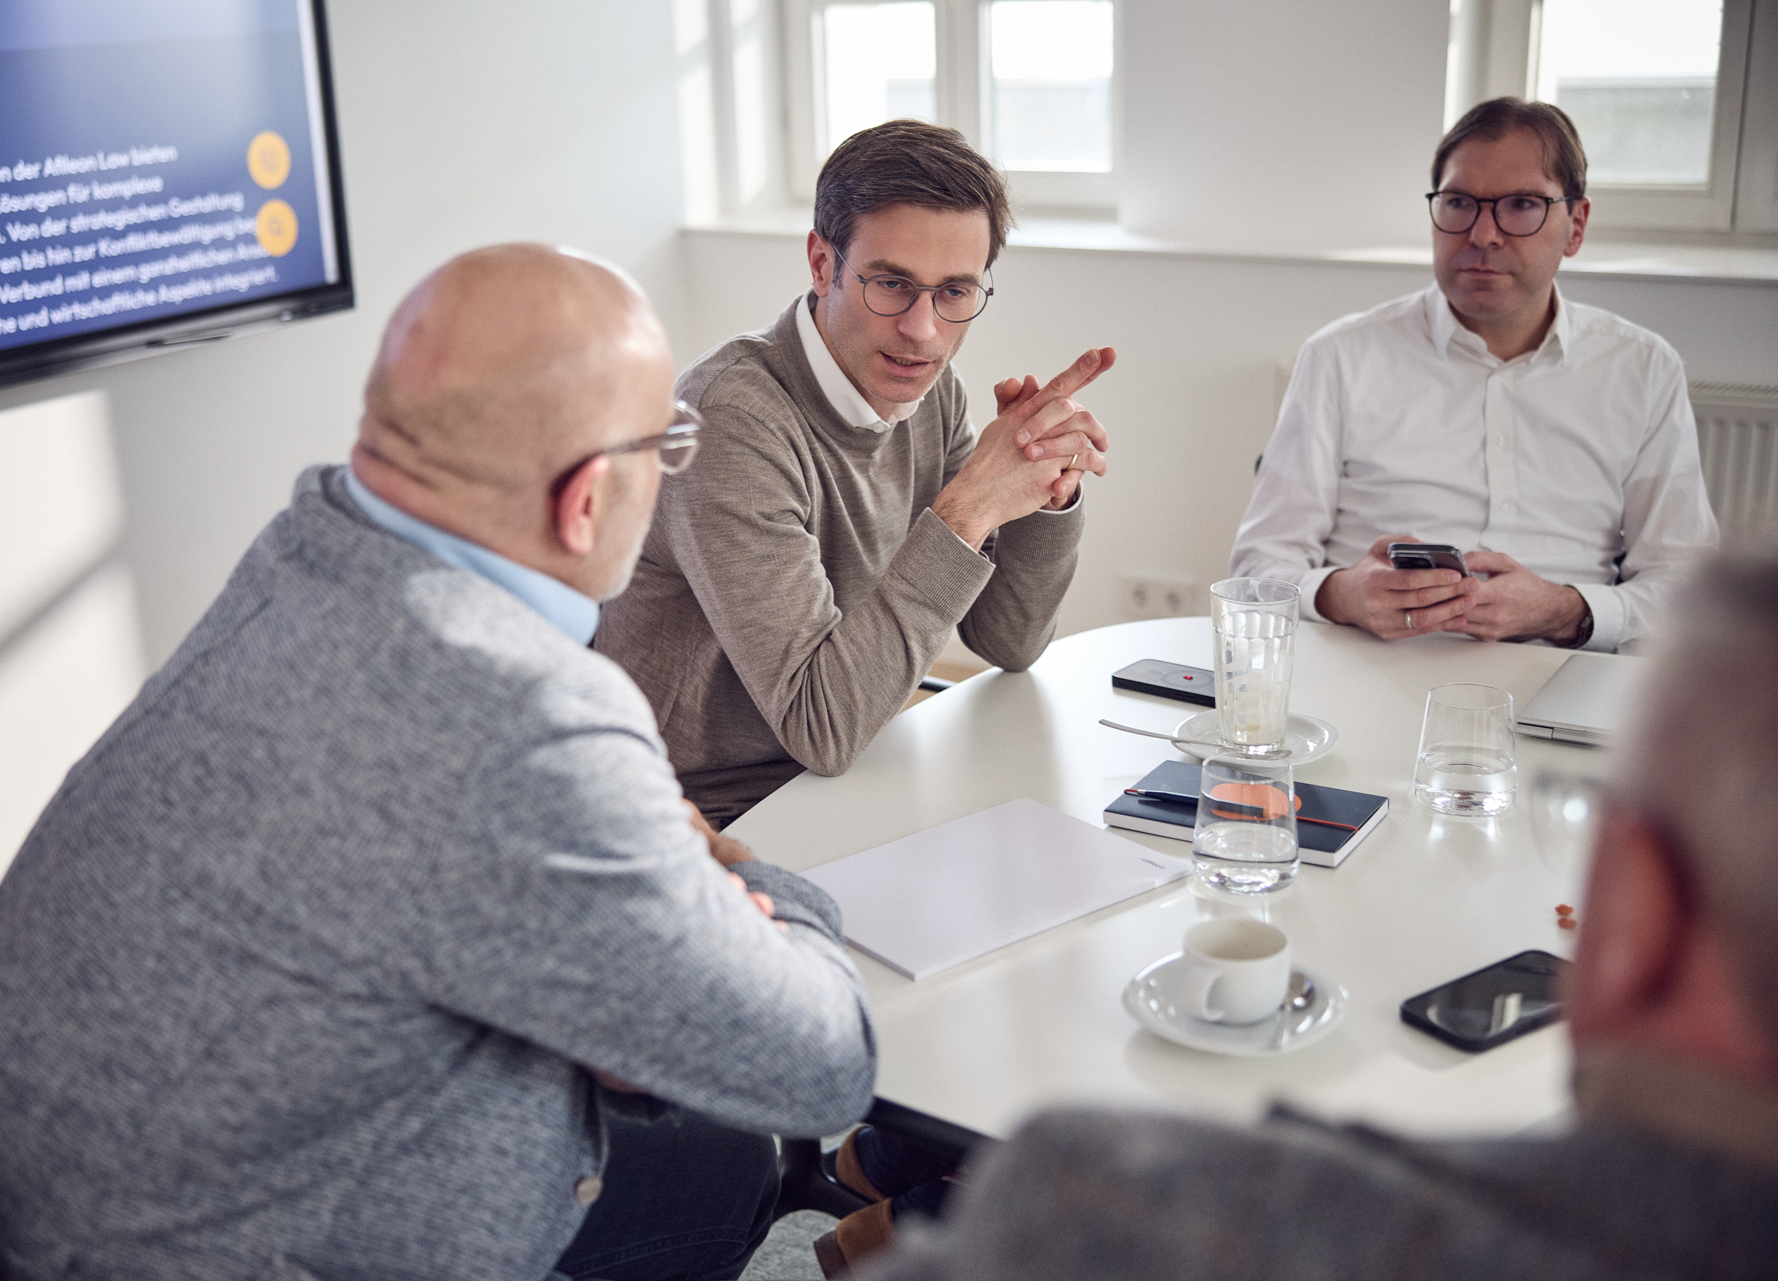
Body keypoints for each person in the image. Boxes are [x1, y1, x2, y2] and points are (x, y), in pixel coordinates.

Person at [0, 245, 877, 1281]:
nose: (671, 472)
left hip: (60, 1192)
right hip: (201, 1249)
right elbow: (826, 1066)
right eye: (667, 446)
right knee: (727, 1153)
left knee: (710, 1157)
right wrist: (739, 881)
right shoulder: (524, 715)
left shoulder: (309, 544)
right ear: (586, 500)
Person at [861, 539, 1778, 1280]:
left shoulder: (1106, 1205)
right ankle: (901, 1165)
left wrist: (1570, 607)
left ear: (1633, 914)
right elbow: (1257, 558)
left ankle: (906, 1172)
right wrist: (1341, 588)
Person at [595, 118, 1115, 827]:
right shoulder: (729, 420)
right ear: (820, 262)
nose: (924, 331)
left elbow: (1010, 640)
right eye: (891, 284)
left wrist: (1044, 484)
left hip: (851, 776)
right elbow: (822, 726)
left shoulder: (931, 391)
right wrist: (965, 510)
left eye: (955, 292)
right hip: (702, 814)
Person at [1230, 98, 1717, 653]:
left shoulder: (1643, 369)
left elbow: (1689, 590)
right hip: (1372, 672)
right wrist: (1341, 595)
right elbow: (1256, 571)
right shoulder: (1340, 356)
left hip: (1560, 675)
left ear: (1575, 225)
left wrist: (1567, 610)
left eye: (1522, 204)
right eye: (1459, 202)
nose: (1483, 234)